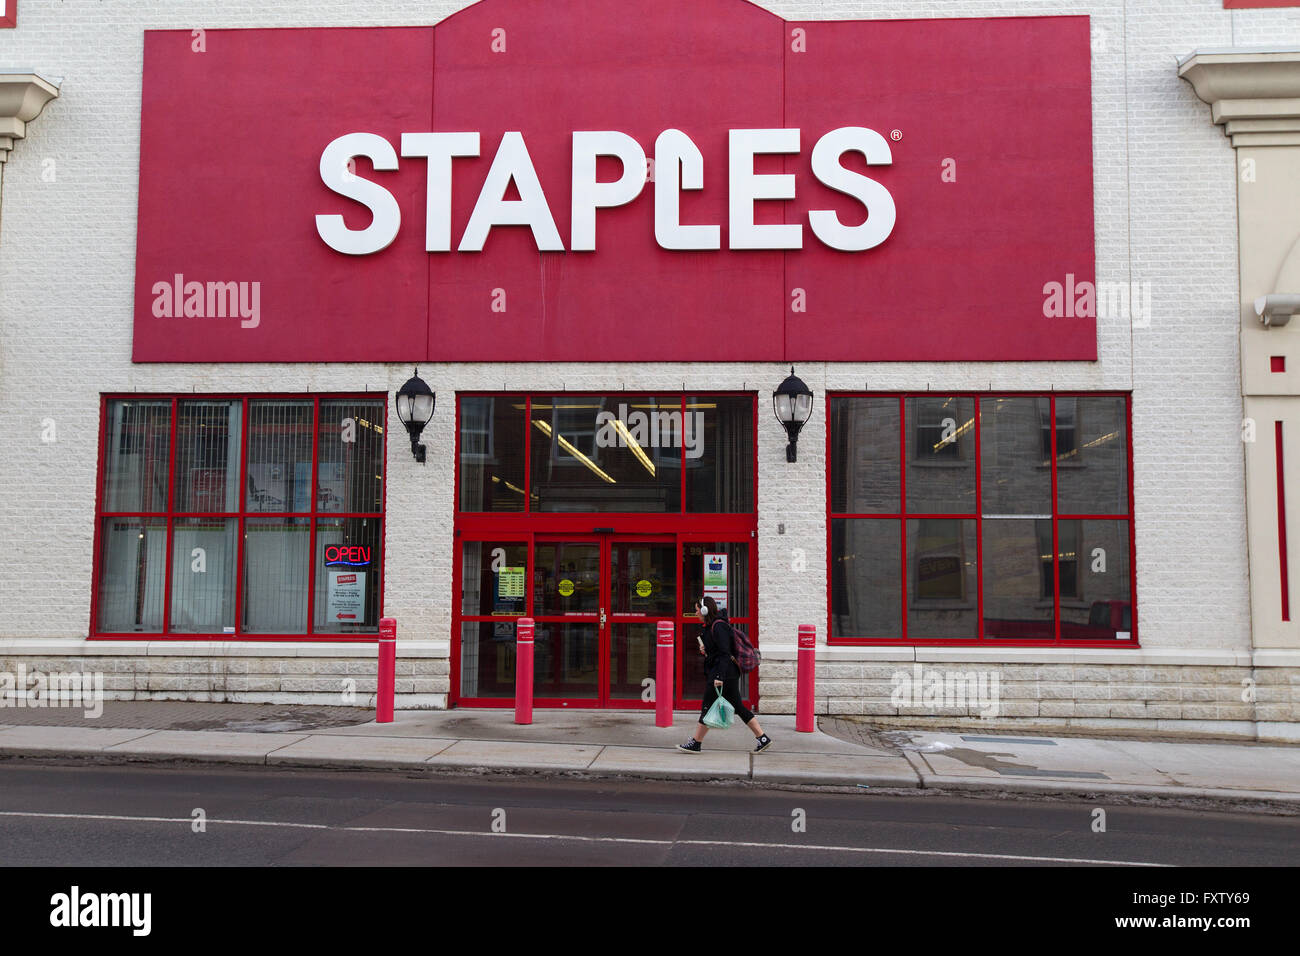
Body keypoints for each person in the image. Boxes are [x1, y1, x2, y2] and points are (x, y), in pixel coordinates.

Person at [676, 596, 772, 753]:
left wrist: (719, 678)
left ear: (705, 610)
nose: (695, 613)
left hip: (723, 675)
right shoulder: (711, 626)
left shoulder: (718, 626)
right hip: (727, 673)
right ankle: (762, 738)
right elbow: (717, 652)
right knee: (739, 707)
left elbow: (725, 654)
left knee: (707, 706)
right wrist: (706, 651)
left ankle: (696, 743)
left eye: (697, 609)